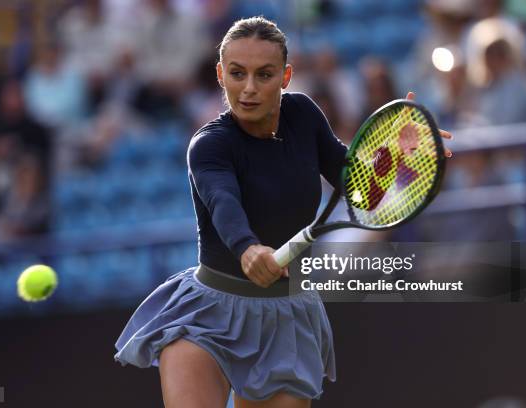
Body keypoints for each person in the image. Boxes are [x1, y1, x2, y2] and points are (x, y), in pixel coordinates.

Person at [114, 17, 452, 408]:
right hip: (208, 315)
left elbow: (356, 186)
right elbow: (222, 201)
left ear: (286, 76)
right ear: (221, 75)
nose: (250, 88)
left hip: (286, 318)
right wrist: (247, 248)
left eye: (265, 74)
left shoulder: (304, 116)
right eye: (238, 74)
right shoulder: (208, 146)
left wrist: (399, 160)